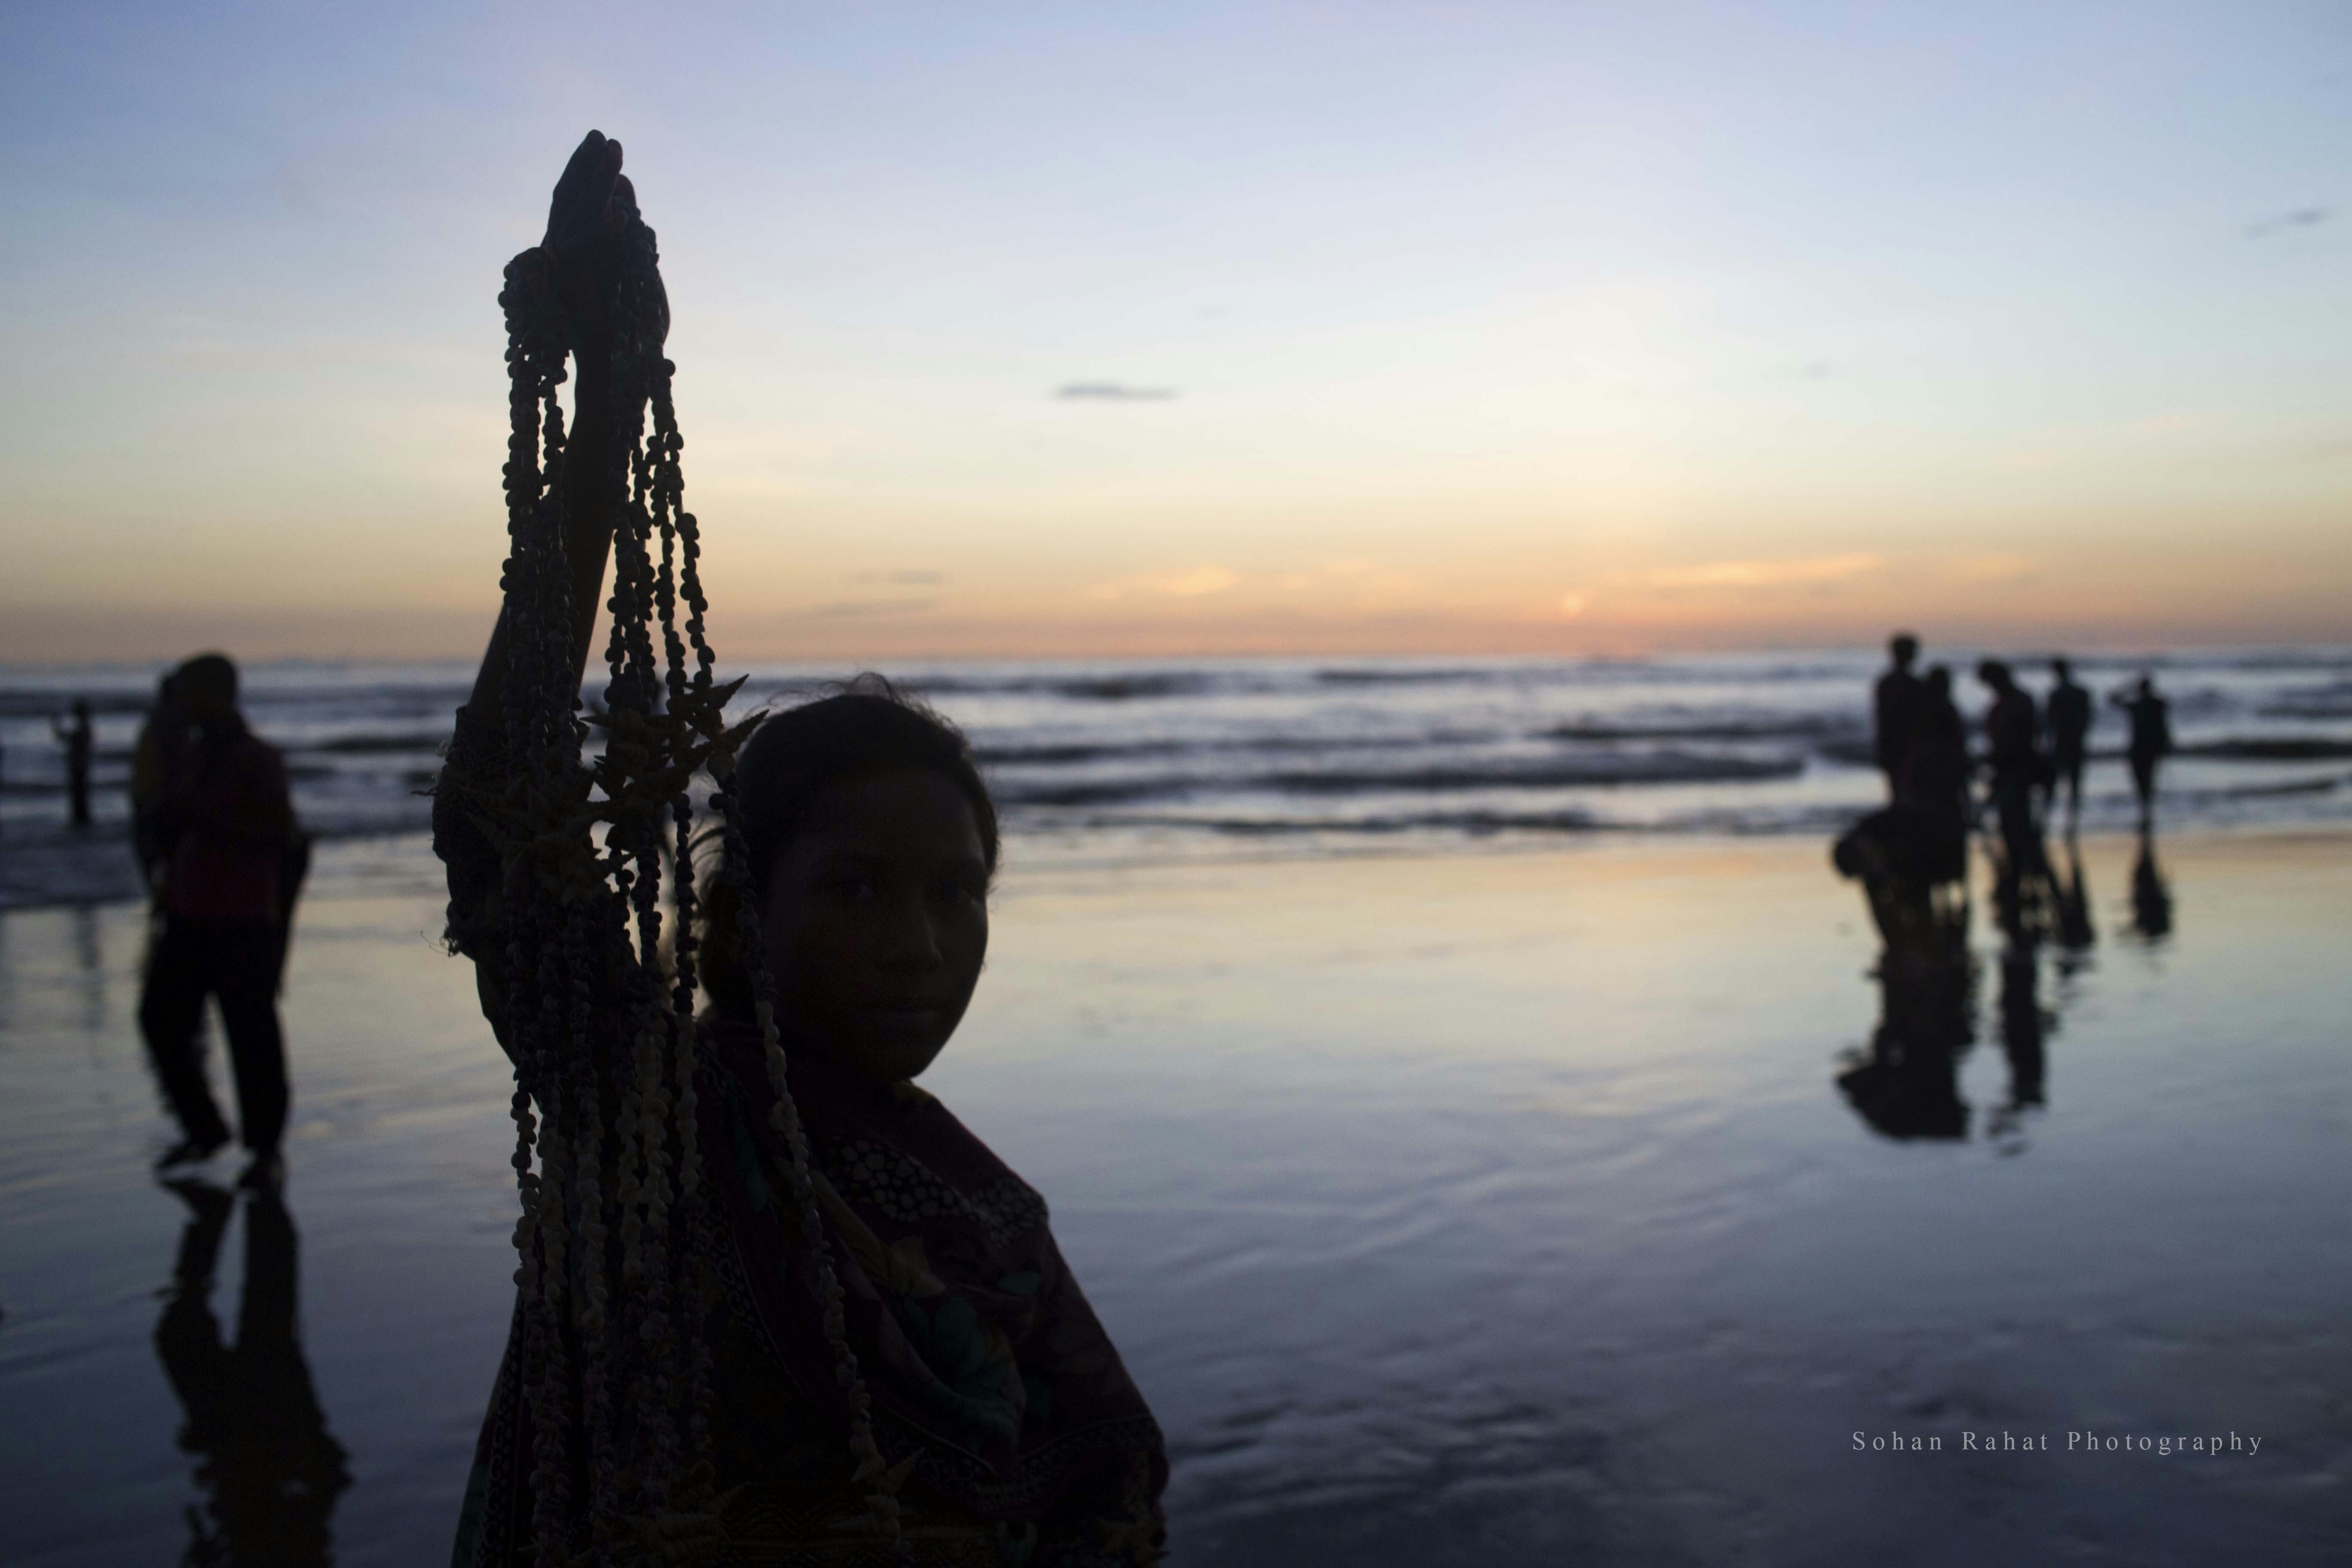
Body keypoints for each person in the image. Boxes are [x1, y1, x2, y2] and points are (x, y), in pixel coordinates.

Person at [432, 132, 1165, 1565]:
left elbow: (1107, 1481)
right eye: (856, 886)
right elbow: (503, 821)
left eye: (959, 891)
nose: (921, 942)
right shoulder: (652, 1115)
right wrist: (608, 418)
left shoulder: (985, 1215)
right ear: (738, 910)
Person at [138, 654, 300, 1185]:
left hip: (241, 916)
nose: (179, 704)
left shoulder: (256, 759)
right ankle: (206, 1128)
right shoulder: (187, 756)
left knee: (251, 1038)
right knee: (161, 1020)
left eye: (187, 692)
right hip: (189, 912)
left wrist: (205, 820)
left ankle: (264, 1152)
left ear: (214, 694)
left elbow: (283, 836)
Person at [154, 1178, 350, 1564]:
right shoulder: (302, 1536)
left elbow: (332, 1476)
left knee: (193, 1327)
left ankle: (226, 1214)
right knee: (265, 1305)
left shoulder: (284, 1536)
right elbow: (331, 1476)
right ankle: (260, 1202)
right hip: (273, 1428)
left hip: (235, 1438)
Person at [2111, 674, 2172, 828]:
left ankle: (2145, 813)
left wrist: (2128, 688)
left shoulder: (2143, 705)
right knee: (2146, 780)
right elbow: (2112, 699)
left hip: (2142, 748)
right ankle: (2146, 812)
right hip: (2144, 748)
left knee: (2143, 781)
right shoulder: (2151, 705)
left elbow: (2114, 699)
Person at [1873, 632, 1926, 801]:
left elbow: (1881, 719)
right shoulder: (1914, 686)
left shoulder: (1886, 683)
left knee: (1900, 795)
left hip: (1895, 747)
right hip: (1908, 747)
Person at [2044, 658, 2092, 828]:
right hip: (2075, 744)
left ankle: (2046, 822)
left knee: (2053, 786)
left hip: (2061, 745)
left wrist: (2046, 746)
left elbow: (2050, 724)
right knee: (2074, 786)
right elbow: (2087, 720)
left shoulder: (2056, 695)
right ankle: (2072, 823)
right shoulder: (2081, 693)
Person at [52, 698, 95, 830]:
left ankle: (81, 823)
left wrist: (55, 723)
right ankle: (82, 821)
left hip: (78, 768)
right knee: (81, 798)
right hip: (82, 767)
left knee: (78, 798)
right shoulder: (86, 730)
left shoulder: (82, 731)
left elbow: (62, 737)